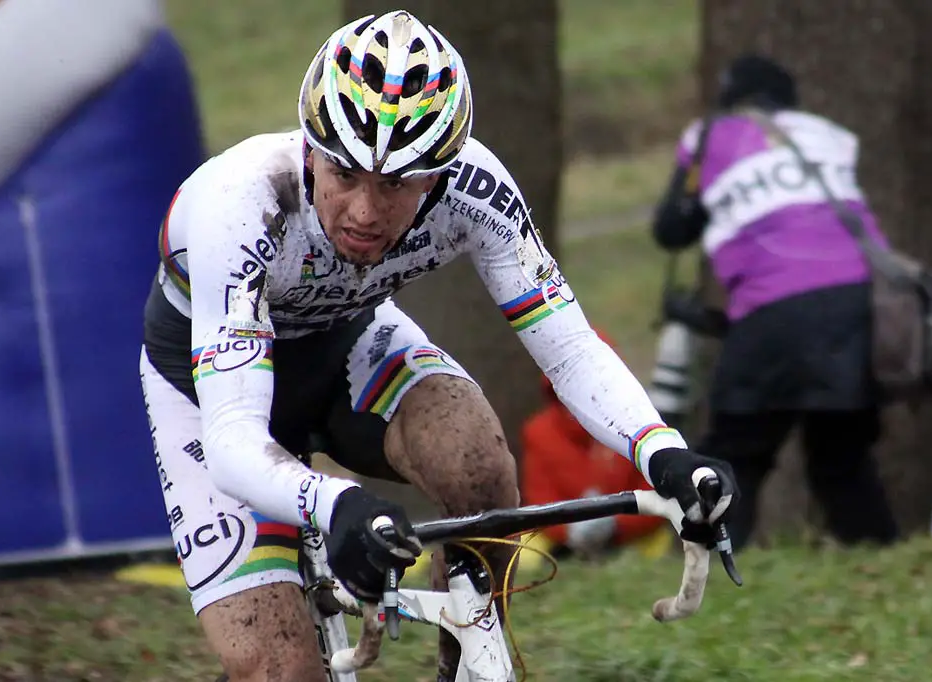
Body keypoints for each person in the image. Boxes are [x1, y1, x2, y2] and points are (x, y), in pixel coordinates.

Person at [141, 11, 738, 682]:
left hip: (347, 343)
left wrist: (662, 451)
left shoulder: (477, 190)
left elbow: (568, 347)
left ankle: (471, 664)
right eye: (345, 175)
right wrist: (336, 504)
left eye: (396, 184)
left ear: (438, 177)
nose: (365, 212)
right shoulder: (243, 202)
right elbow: (232, 439)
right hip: (207, 389)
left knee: (480, 467)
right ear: (309, 148)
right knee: (278, 670)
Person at [650, 53, 899, 551]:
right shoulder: (828, 135)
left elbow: (671, 229)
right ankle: (881, 556)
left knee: (735, 452)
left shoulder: (708, 134)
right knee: (842, 455)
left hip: (772, 309)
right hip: (861, 302)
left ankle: (717, 563)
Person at [521, 329, 670, 559]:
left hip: (630, 537)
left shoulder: (639, 424)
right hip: (562, 543)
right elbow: (539, 502)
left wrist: (616, 525)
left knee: (662, 546)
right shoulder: (539, 432)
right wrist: (569, 530)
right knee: (525, 554)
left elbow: (658, 496)